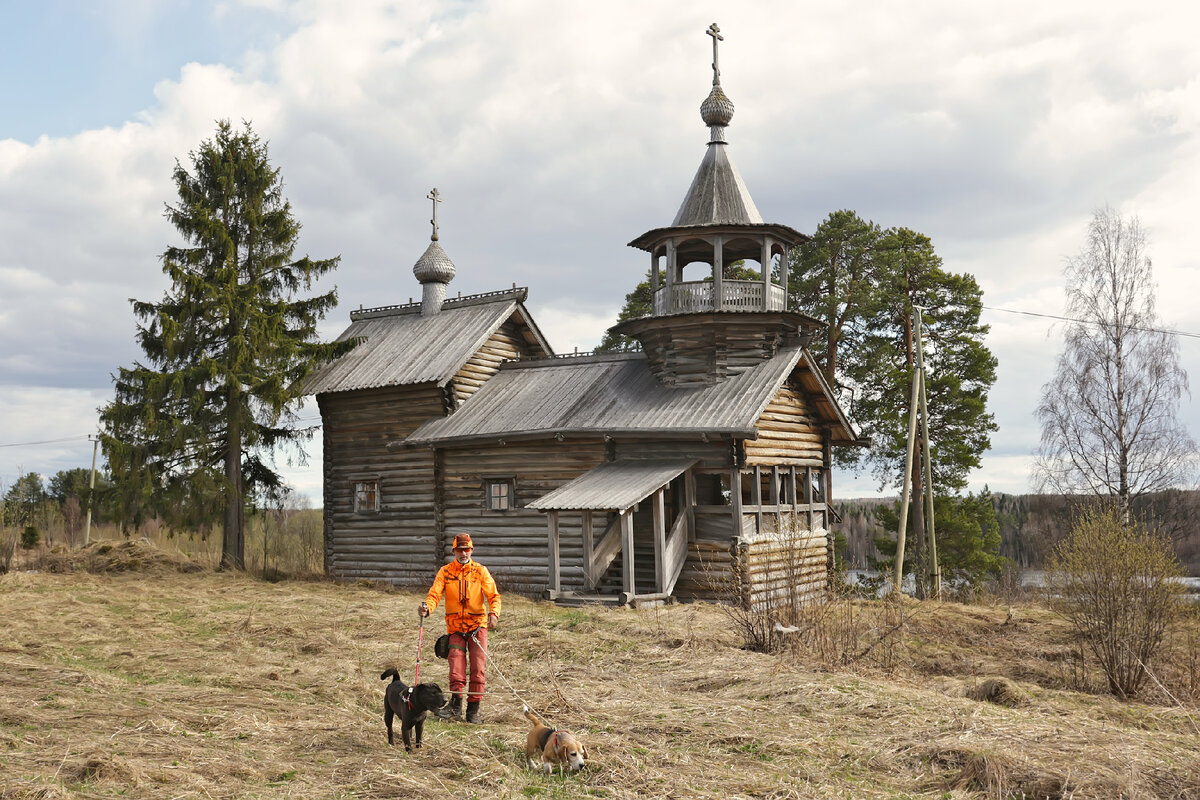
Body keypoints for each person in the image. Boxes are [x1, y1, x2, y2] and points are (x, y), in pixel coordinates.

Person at [418, 533, 501, 723]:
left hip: (477, 627)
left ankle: (473, 712)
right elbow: (434, 594)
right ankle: (455, 707)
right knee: (456, 669)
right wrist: (427, 608)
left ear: (472, 550)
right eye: (460, 550)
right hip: (455, 628)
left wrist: (493, 614)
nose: (463, 553)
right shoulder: (445, 572)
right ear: (454, 551)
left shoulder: (480, 571)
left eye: (467, 549)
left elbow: (494, 596)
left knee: (478, 670)